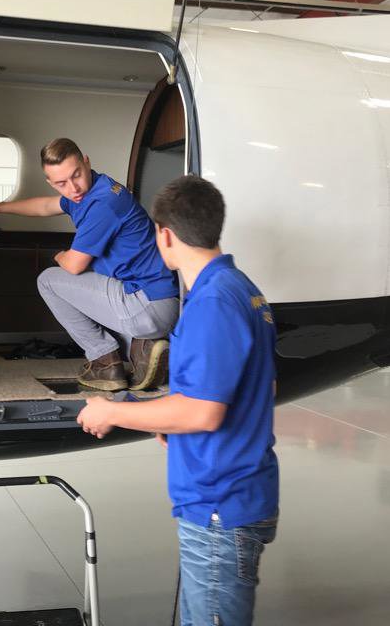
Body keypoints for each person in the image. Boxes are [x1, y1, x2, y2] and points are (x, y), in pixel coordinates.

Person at [75, 175, 278, 626]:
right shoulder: (239, 289)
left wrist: (112, 411)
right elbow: (237, 392)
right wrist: (167, 426)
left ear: (164, 235)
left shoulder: (213, 304)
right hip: (228, 494)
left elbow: (202, 411)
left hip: (219, 507)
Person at [0, 138, 179, 391]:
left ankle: (105, 361)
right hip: (152, 301)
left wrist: (60, 255)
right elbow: (45, 206)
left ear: (86, 163)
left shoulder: (102, 204)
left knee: (49, 280)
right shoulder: (92, 191)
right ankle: (142, 347)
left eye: (76, 175)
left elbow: (74, 265)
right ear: (51, 182)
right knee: (87, 284)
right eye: (61, 183)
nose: (73, 188)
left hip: (147, 305)